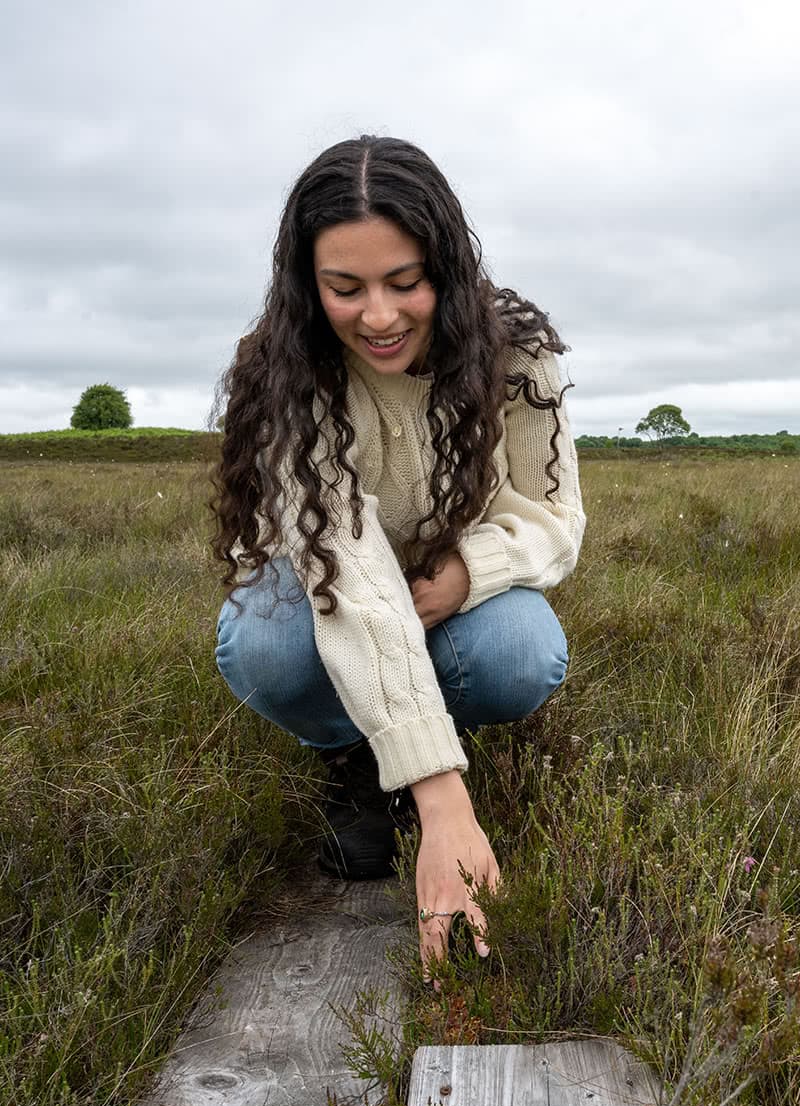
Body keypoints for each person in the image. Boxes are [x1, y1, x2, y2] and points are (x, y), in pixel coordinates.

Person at [211, 135, 585, 981]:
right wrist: (444, 798)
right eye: (345, 288)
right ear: (309, 285)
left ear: (445, 269)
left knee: (525, 650)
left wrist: (464, 576)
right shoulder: (291, 370)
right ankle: (358, 754)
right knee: (260, 641)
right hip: (329, 586)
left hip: (456, 590)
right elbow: (347, 567)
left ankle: (425, 733)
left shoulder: (520, 356)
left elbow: (558, 520)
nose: (377, 316)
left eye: (404, 282)